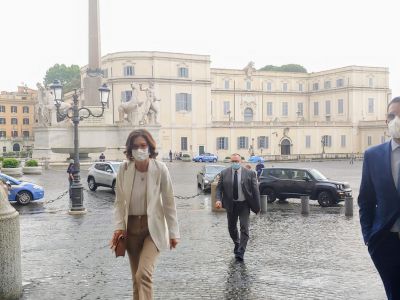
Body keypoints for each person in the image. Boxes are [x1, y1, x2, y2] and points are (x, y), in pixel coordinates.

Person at [111, 129, 180, 300]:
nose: (139, 149)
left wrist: (173, 233)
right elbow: (119, 202)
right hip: (131, 228)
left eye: (143, 145)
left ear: (150, 147)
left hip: (153, 228)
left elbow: (169, 202)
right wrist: (119, 227)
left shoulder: (160, 168)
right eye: (135, 146)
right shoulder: (124, 169)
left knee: (143, 274)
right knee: (136, 280)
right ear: (130, 150)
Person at [358, 96, 400, 299]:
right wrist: (369, 237)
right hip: (385, 241)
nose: (396, 120)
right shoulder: (373, 155)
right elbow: (365, 199)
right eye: (391, 116)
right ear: (386, 121)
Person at [215, 153, 260, 261]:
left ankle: (241, 252)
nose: (235, 163)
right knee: (231, 228)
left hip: (244, 204)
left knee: (244, 228)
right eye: (233, 161)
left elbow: (255, 191)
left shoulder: (250, 173)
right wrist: (218, 200)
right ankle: (237, 242)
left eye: (237, 161)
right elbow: (219, 188)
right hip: (231, 204)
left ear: (241, 162)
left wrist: (257, 207)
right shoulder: (224, 173)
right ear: (231, 162)